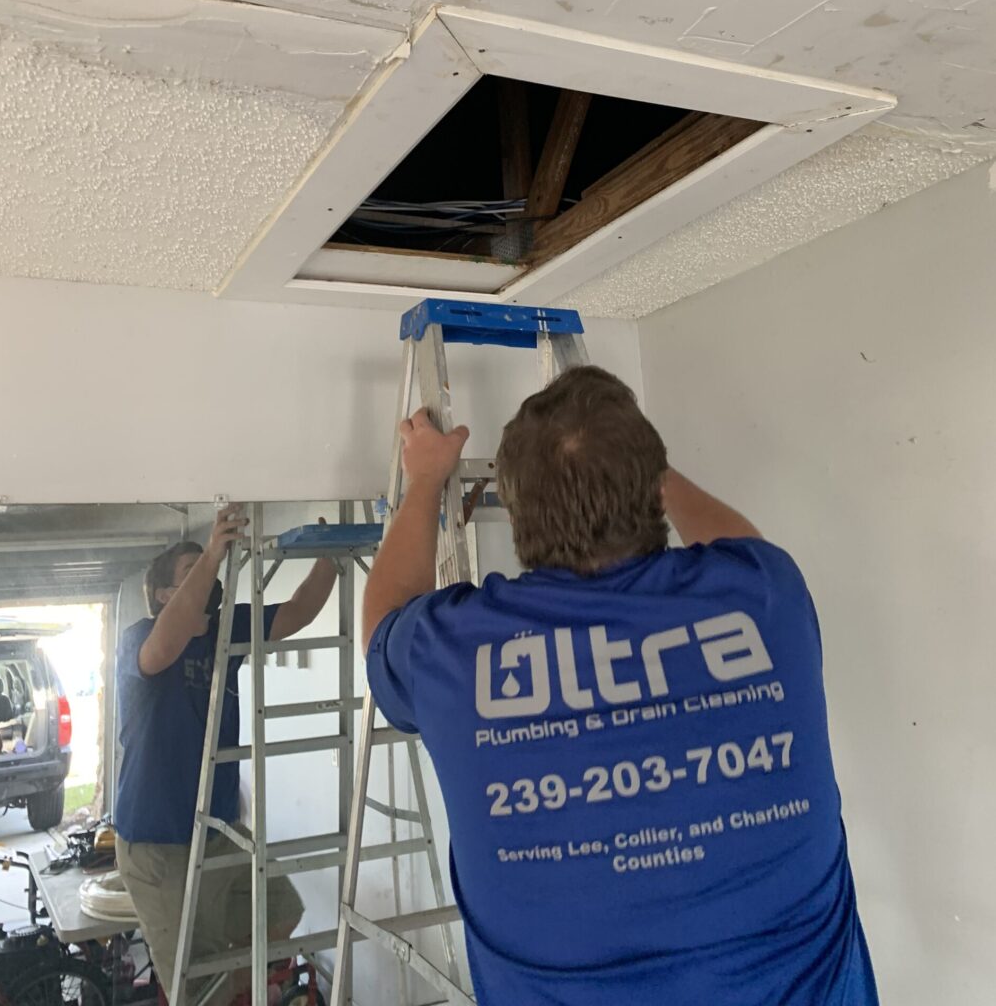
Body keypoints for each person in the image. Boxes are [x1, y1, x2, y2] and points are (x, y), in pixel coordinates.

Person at [363, 366, 876, 1006]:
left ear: (515, 518)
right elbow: (740, 546)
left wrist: (424, 481)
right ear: (652, 487)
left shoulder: (455, 651)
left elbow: (382, 617)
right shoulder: (763, 600)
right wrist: (627, 456)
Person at [115, 506, 338, 1004]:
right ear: (162, 596)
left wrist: (330, 557)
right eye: (195, 574)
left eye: (213, 569)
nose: (213, 578)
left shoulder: (225, 629)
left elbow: (297, 611)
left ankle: (225, 986)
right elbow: (162, 651)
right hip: (159, 847)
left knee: (281, 909)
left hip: (217, 832)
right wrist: (213, 551)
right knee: (195, 988)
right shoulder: (140, 638)